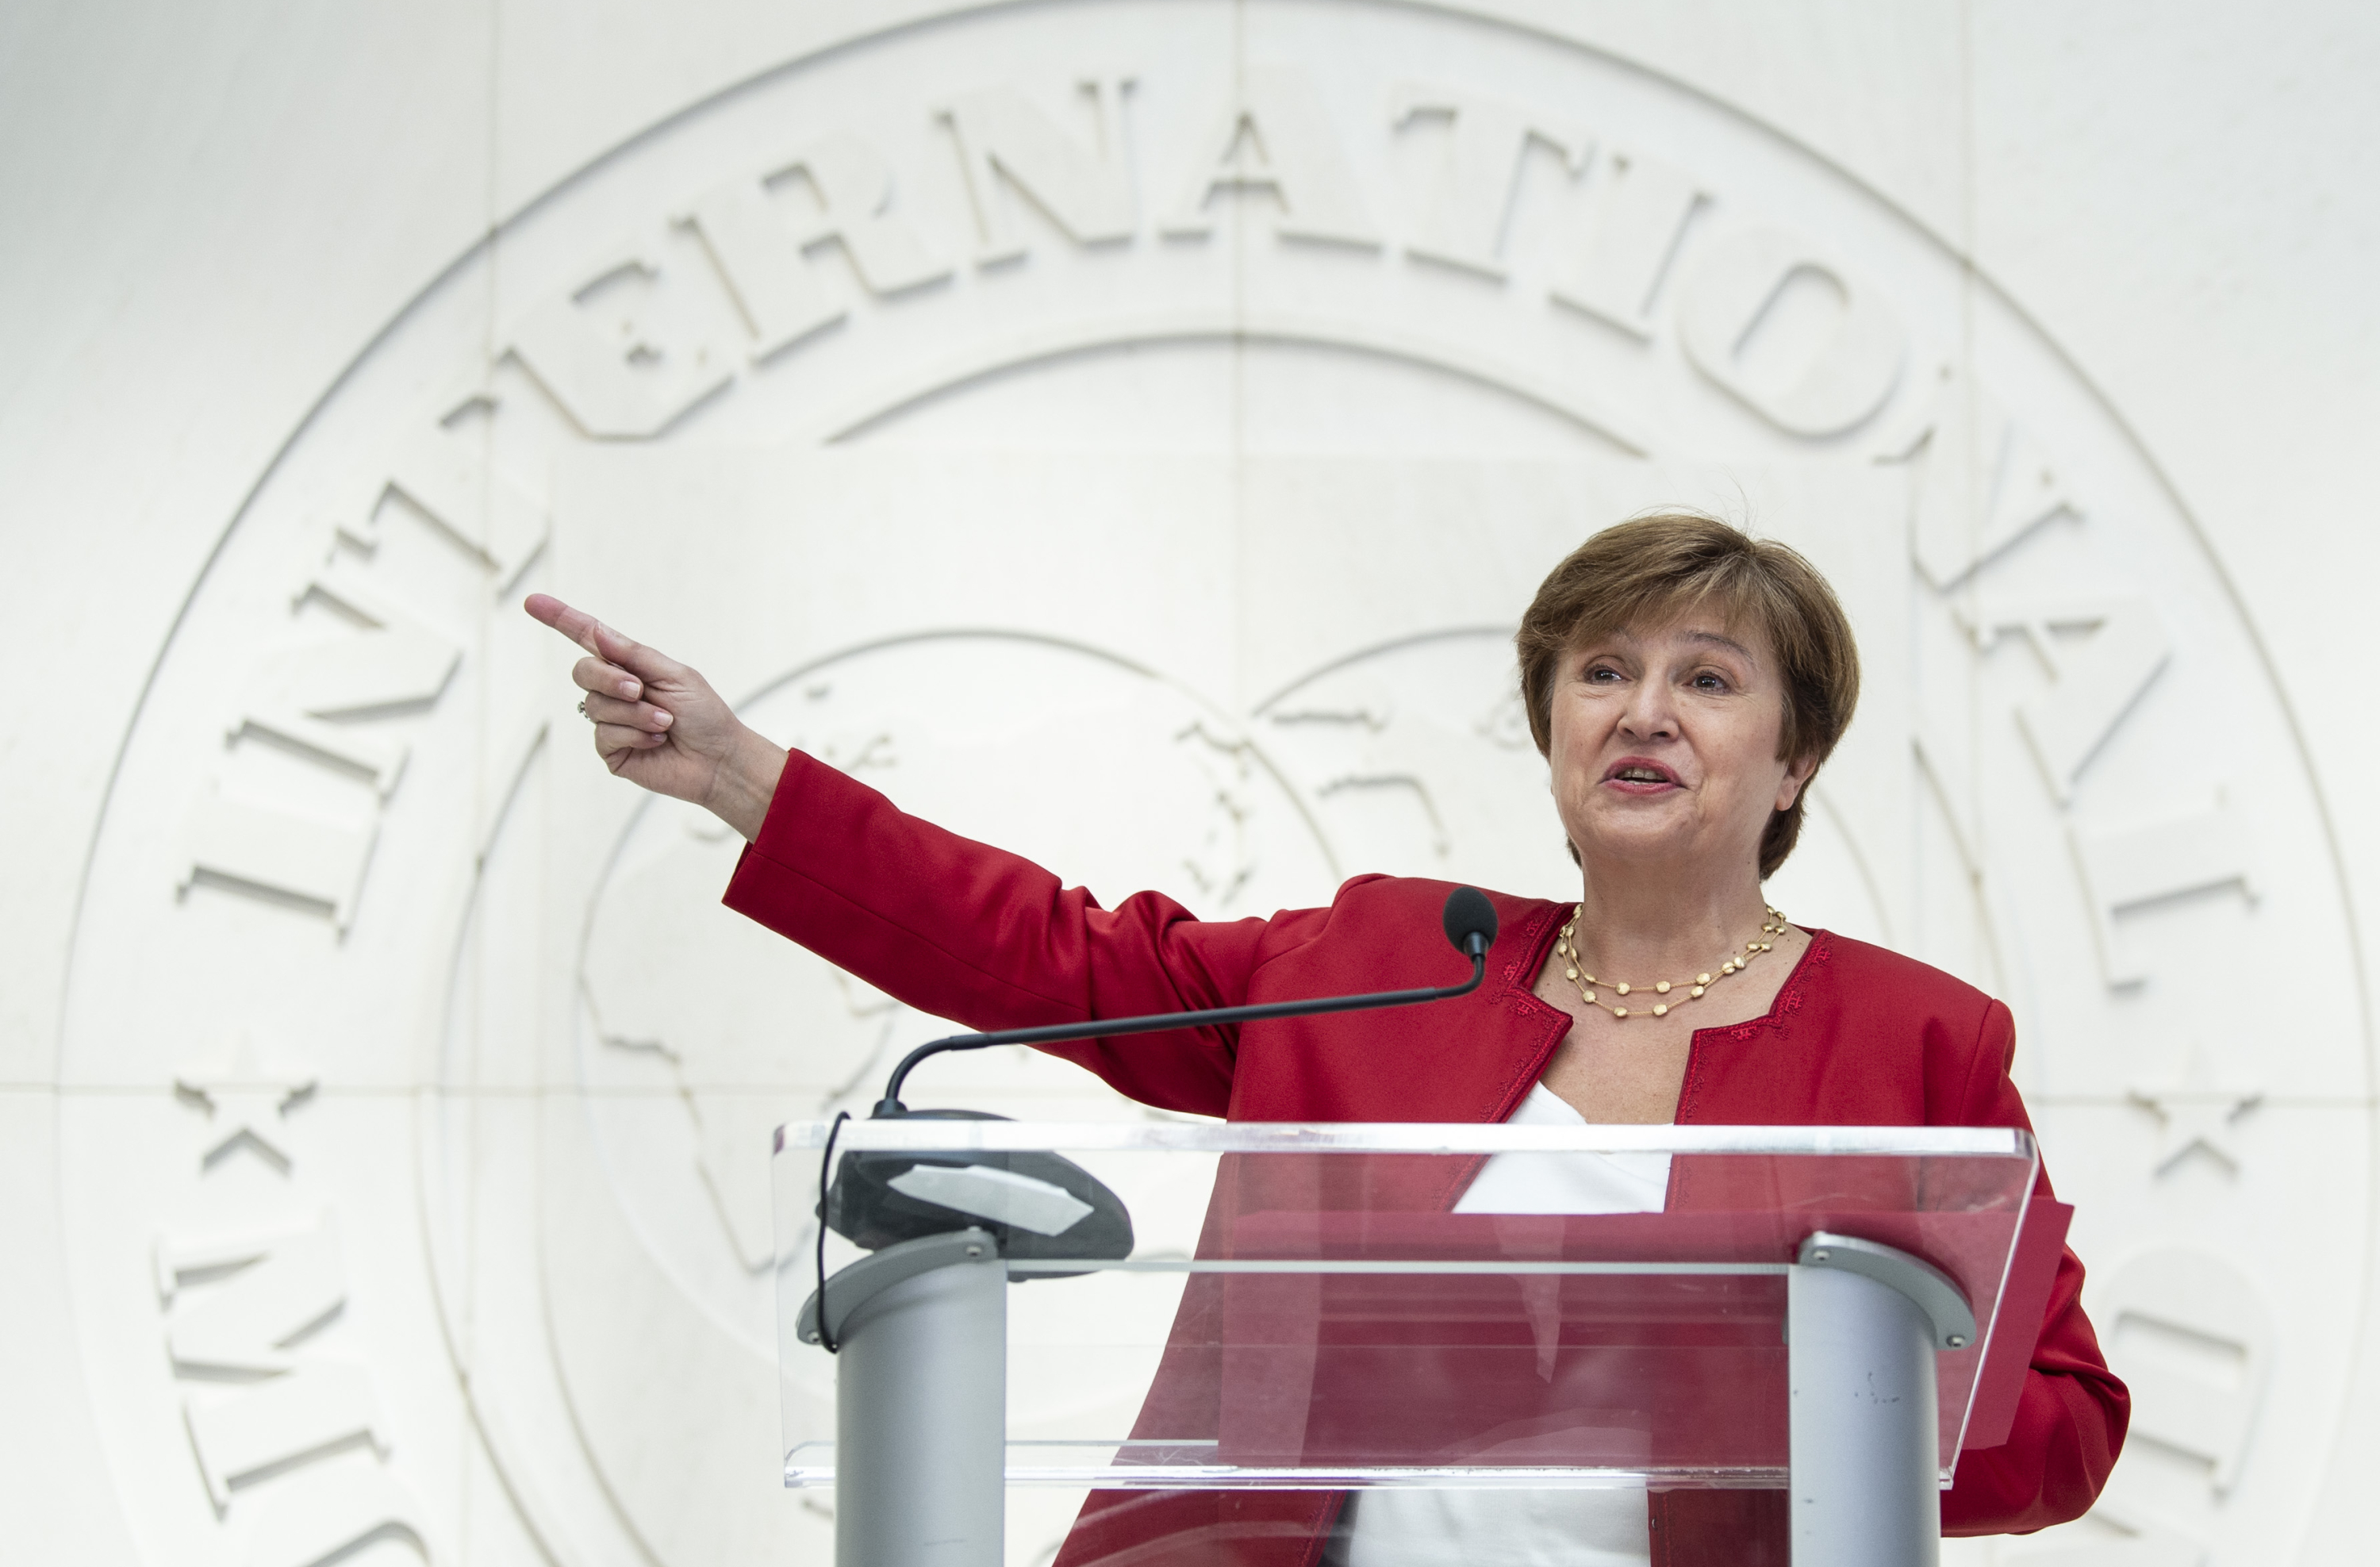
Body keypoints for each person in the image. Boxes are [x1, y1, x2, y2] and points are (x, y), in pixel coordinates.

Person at [526, 513, 2127, 1566]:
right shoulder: (1389, 959)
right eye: (1601, 672)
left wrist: (1769, 1405)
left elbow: (2067, 1423)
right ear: (1555, 728)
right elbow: (1058, 955)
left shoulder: (1919, 1042)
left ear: (1795, 762)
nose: (1643, 711)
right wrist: (745, 776)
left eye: (1708, 679)